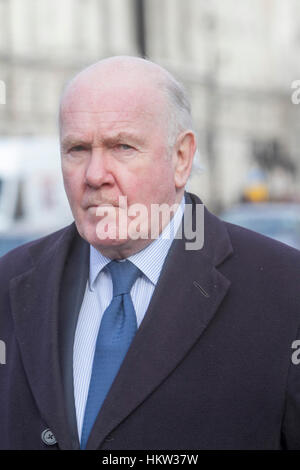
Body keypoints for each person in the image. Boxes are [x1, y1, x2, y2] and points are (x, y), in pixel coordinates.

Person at [1, 56, 300, 450]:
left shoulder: (284, 290)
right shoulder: (10, 282)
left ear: (181, 158)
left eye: (122, 146)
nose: (94, 175)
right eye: (76, 149)